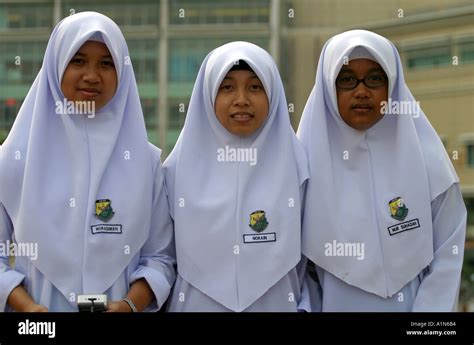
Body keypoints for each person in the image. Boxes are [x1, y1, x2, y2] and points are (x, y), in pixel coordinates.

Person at [0, 11, 176, 312]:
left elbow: (161, 258)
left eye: (106, 64)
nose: (92, 75)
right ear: (56, 66)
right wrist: (29, 309)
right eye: (78, 61)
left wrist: (131, 305)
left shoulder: (146, 163)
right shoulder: (14, 159)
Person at [297, 29, 467, 311]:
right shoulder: (303, 169)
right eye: (347, 79)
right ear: (329, 87)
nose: (361, 91)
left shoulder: (429, 164)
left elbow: (447, 254)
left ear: (393, 86)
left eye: (375, 79)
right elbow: (294, 269)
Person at [163, 41, 315, 312]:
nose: (242, 99)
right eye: (227, 87)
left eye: (255, 87)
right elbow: (161, 259)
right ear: (207, 96)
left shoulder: (301, 171)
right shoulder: (173, 175)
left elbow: (315, 267)